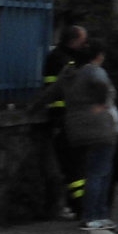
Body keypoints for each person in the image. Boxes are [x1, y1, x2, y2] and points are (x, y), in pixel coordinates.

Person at [57, 42, 118, 233]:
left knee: (89, 172)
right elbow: (103, 88)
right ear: (98, 56)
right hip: (100, 128)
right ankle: (94, 216)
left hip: (76, 130)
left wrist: (32, 108)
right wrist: (101, 104)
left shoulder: (68, 74)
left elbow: (52, 92)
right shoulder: (94, 71)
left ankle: (94, 215)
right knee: (100, 173)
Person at [41, 25, 88, 220]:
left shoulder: (62, 57)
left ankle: (76, 206)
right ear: (74, 41)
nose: (85, 45)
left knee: (73, 167)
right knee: (73, 167)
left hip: (65, 119)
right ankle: (78, 207)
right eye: (83, 41)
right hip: (63, 119)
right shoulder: (63, 60)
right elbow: (60, 92)